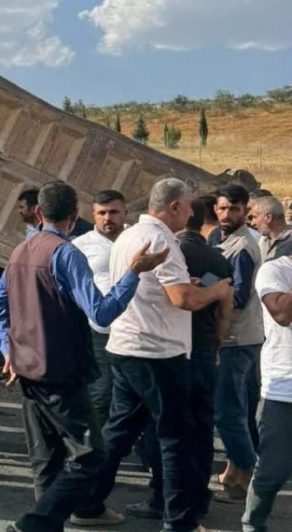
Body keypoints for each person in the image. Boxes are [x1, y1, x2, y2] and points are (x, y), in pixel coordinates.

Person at [0, 181, 164, 532]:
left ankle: (42, 526)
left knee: (46, 461)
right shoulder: (66, 254)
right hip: (60, 373)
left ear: (38, 212)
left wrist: (8, 349)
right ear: (75, 216)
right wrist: (133, 274)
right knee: (90, 456)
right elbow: (101, 314)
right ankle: (33, 525)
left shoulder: (21, 250)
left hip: (28, 372)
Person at [81, 178, 232, 532]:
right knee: (175, 437)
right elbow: (184, 300)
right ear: (175, 206)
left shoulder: (129, 235)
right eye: (189, 205)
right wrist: (216, 291)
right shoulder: (162, 239)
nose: (193, 212)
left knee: (118, 433)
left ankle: (88, 503)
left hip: (127, 345)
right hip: (157, 353)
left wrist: (187, 287)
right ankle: (180, 522)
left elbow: (157, 289)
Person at [127, 197, 235, 522]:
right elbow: (227, 308)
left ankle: (161, 497)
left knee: (165, 426)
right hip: (203, 348)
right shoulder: (218, 259)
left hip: (169, 347)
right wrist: (217, 340)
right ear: (203, 221)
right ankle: (198, 498)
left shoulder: (166, 251)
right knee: (202, 427)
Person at [211, 184, 265, 503]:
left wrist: (208, 291)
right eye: (221, 208)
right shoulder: (221, 239)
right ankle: (235, 470)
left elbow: (240, 298)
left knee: (228, 412)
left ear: (246, 210)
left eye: (233, 208)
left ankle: (244, 477)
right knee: (237, 408)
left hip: (237, 339)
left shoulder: (243, 246)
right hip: (236, 338)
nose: (226, 214)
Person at [241, 252, 292, 532]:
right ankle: (252, 525)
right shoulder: (275, 271)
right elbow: (282, 314)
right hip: (284, 391)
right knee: (273, 472)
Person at [71, 189, 128, 430]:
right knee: (100, 392)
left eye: (113, 212)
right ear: (93, 215)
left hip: (133, 329)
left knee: (131, 393)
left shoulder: (136, 240)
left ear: (124, 213)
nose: (108, 218)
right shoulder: (80, 246)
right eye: (102, 213)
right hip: (98, 331)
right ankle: (94, 448)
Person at [251, 196, 292, 262]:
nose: (252, 223)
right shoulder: (263, 240)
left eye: (255, 217)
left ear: (268, 217)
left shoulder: (289, 241)